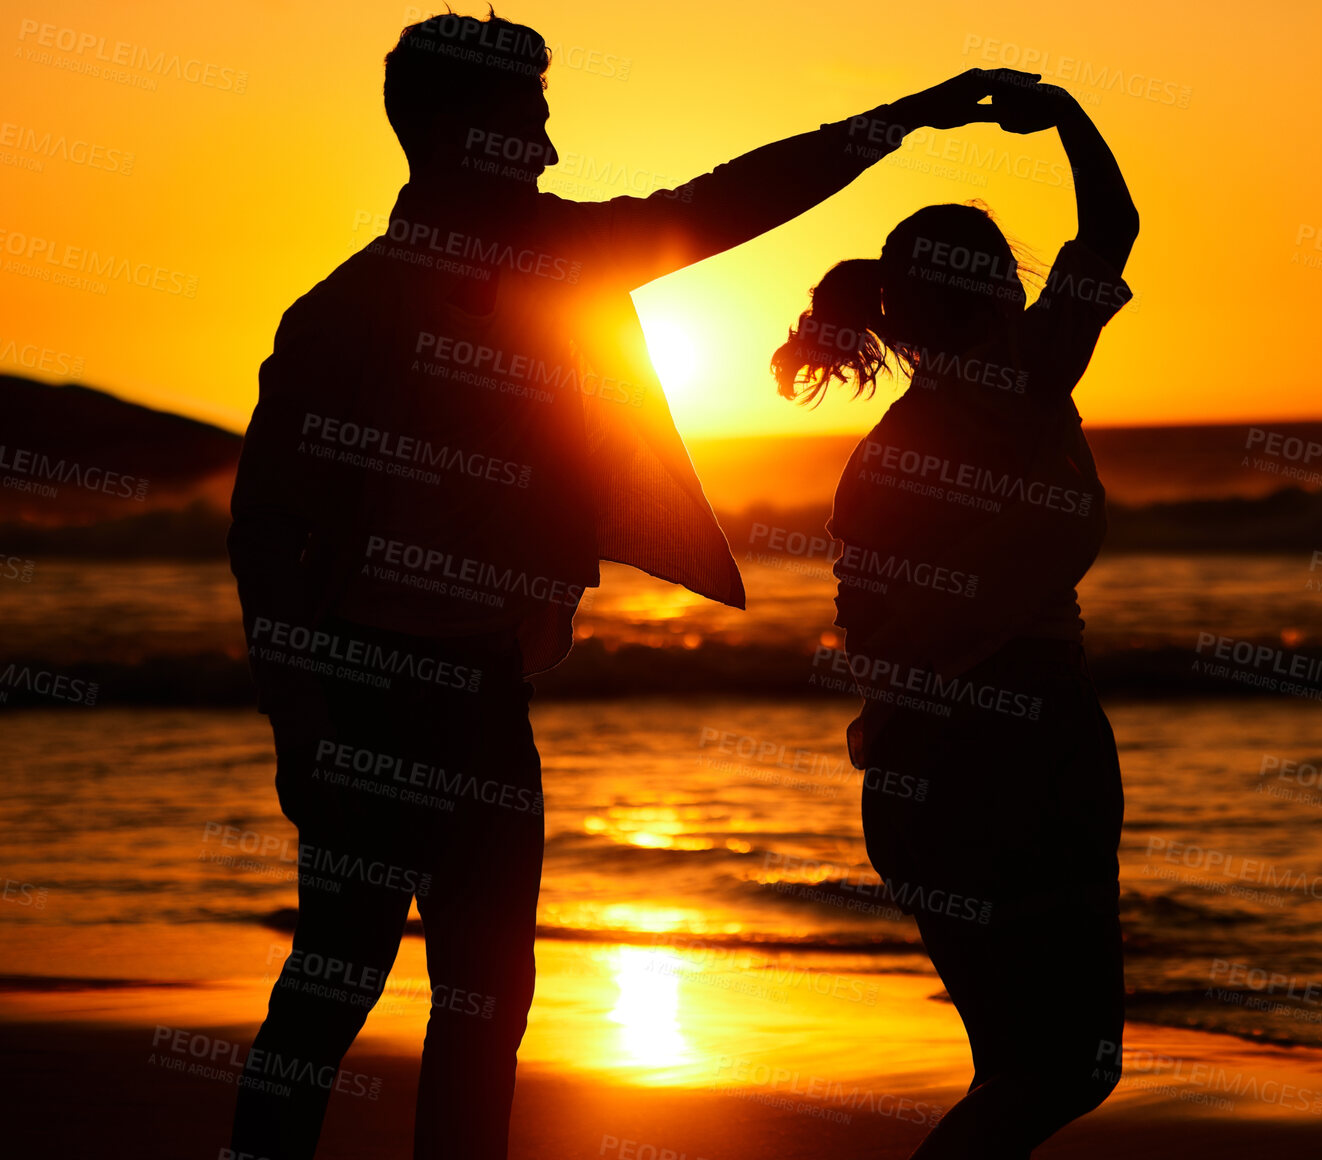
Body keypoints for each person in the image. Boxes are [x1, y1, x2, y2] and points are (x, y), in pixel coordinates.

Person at [226, 11, 1039, 1158]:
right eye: (531, 125)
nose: (550, 153)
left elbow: (718, 203)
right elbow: (263, 533)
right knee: (336, 979)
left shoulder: (547, 259)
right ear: (462, 136)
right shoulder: (341, 315)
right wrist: (301, 724)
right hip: (368, 693)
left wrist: (902, 119)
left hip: (484, 686)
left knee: (485, 997)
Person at [771, 80, 1137, 1159]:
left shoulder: (876, 458)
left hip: (914, 778)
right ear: (996, 295)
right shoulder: (1021, 380)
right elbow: (1110, 227)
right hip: (1022, 747)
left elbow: (876, 637)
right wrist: (1066, 113)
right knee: (1067, 1068)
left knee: (1023, 1071)